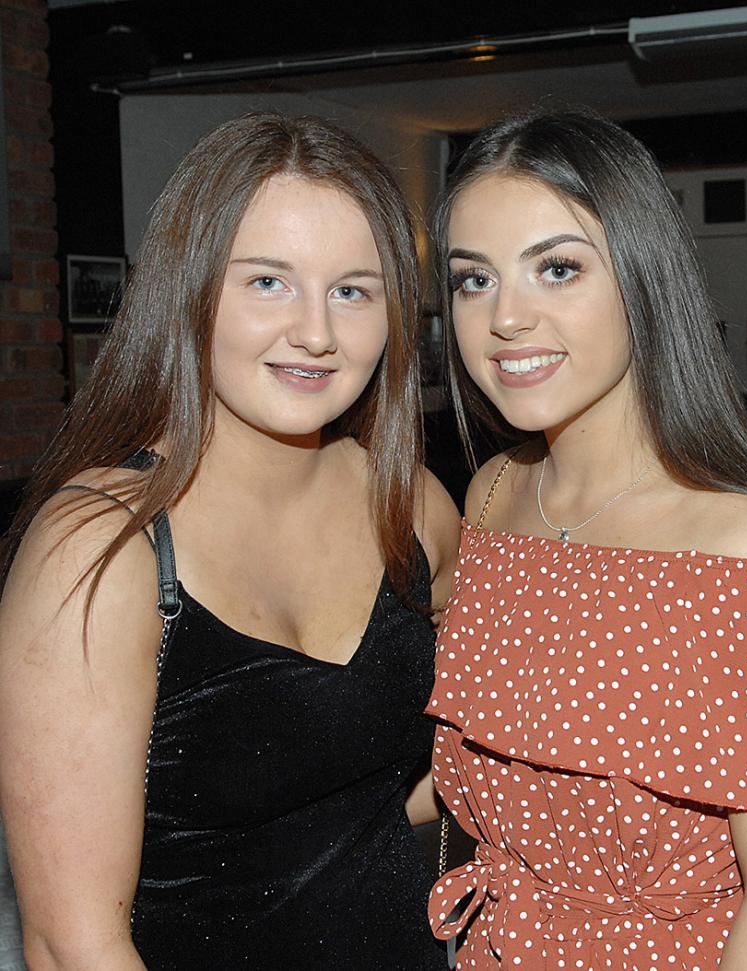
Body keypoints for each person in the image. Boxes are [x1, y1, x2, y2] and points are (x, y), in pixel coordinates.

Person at [0, 112, 459, 970]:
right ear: (192, 290)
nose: (316, 332)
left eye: (353, 291)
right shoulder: (100, 547)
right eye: (268, 282)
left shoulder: (411, 507)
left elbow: (448, 763)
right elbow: (72, 944)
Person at [426, 108, 747, 970]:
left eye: (557, 268)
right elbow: (499, 754)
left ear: (644, 279)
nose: (506, 318)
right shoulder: (492, 495)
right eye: (474, 279)